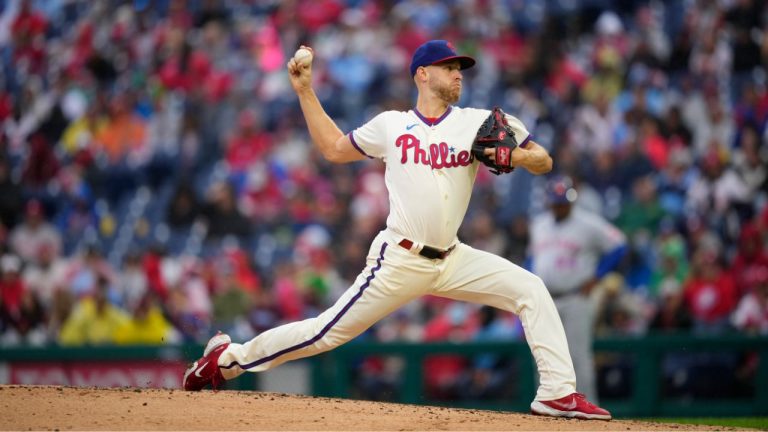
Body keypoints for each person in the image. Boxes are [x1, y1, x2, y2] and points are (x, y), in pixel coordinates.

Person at [183, 40, 612, 420]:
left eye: (460, 69)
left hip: (453, 257)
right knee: (325, 332)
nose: (457, 74)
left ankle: (557, 394)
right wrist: (306, 92)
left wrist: (517, 157)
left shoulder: (478, 122)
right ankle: (227, 360)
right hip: (400, 258)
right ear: (423, 74)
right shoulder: (391, 125)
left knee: (531, 289)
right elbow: (333, 149)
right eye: (449, 67)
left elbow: (544, 160)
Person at [529, 175, 627, 403]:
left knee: (577, 356)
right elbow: (532, 260)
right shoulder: (539, 225)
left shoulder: (588, 223)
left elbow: (619, 245)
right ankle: (545, 412)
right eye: (556, 201)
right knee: (543, 358)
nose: (560, 205)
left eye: (564, 201)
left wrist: (597, 276)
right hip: (546, 299)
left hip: (576, 297)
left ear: (572, 201)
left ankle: (587, 412)